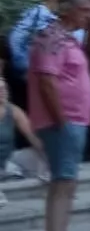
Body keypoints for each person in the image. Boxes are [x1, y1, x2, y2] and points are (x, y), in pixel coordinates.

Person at [28, 0, 90, 231]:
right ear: (68, 9)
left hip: (72, 120)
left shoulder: (65, 39)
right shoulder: (51, 38)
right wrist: (61, 121)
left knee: (62, 183)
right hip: (64, 122)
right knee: (64, 185)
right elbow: (47, 81)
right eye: (85, 10)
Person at [7, 0, 72, 111]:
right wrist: (25, 67)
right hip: (31, 77)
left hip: (55, 79)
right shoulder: (35, 13)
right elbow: (15, 39)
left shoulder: (67, 19)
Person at [0, 75, 46, 204]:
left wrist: (48, 154)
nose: (3, 92)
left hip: (9, 157)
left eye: (4, 89)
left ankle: (52, 184)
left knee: (38, 153)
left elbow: (32, 136)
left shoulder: (13, 110)